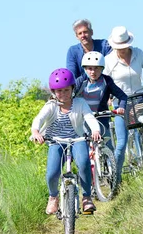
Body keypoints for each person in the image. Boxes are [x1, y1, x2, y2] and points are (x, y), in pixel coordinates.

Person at [31, 68, 102, 215]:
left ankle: (87, 197)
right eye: (59, 91)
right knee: (52, 172)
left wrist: (95, 130)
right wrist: (36, 132)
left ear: (72, 89)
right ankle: (53, 197)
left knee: (83, 163)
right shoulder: (51, 106)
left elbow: (89, 117)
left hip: (77, 139)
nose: (63, 94)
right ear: (53, 92)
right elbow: (39, 119)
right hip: (56, 141)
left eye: (66, 90)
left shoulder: (80, 103)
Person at [103, 26, 143, 174]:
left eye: (125, 46)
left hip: (139, 97)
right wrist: (107, 97)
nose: (123, 49)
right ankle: (116, 176)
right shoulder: (109, 60)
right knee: (122, 142)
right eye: (119, 47)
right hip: (121, 102)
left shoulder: (138, 54)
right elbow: (104, 81)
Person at [74, 51, 128, 182]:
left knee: (108, 147)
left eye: (97, 68)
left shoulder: (106, 81)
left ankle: (114, 178)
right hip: (85, 121)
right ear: (85, 69)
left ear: (102, 68)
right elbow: (70, 96)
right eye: (89, 68)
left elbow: (122, 96)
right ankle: (89, 180)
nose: (93, 71)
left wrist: (121, 107)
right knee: (85, 151)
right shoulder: (81, 81)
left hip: (102, 118)